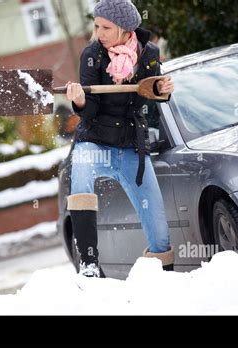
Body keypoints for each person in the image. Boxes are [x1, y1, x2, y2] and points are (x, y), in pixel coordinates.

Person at [65, 0, 175, 278]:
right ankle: (89, 264)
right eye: (97, 26)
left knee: (159, 232)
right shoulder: (92, 55)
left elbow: (152, 96)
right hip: (94, 140)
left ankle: (167, 284)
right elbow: (90, 111)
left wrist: (164, 88)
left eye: (106, 27)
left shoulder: (149, 53)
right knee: (80, 180)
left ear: (126, 29)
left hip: (130, 146)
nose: (99, 32)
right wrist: (79, 101)